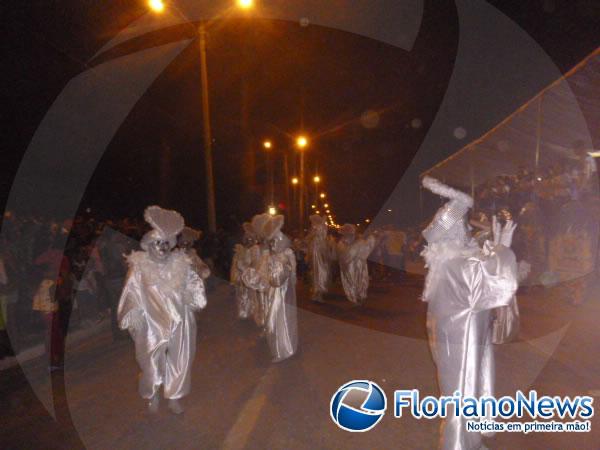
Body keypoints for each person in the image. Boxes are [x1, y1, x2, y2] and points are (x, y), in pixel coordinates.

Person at [420, 177, 518, 450]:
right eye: (462, 226)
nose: (466, 230)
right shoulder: (455, 264)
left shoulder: (448, 261)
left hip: (466, 330)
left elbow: (483, 271)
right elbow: (493, 276)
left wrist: (496, 246)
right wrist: (503, 248)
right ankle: (457, 445)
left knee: (467, 383)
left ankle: (470, 437)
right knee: (461, 386)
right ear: (453, 232)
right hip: (461, 335)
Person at [117, 206, 207, 414]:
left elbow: (195, 286)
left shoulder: (182, 264)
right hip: (151, 322)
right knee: (150, 362)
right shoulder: (138, 268)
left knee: (180, 360)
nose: (162, 247)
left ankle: (174, 396)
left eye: (166, 243)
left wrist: (193, 299)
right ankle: (152, 393)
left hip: (180, 320)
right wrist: (134, 314)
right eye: (157, 243)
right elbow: (130, 293)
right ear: (148, 245)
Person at [242, 215, 298, 362]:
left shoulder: (282, 257)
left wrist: (273, 265)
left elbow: (276, 280)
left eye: (273, 242)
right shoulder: (279, 256)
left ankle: (283, 350)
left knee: (278, 320)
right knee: (278, 320)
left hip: (280, 293)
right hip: (277, 293)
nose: (271, 245)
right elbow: (263, 278)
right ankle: (284, 348)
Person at [336, 224, 376, 305]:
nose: (349, 233)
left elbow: (366, 251)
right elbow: (343, 256)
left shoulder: (359, 241)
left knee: (360, 280)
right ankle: (354, 298)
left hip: (359, 264)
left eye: (350, 231)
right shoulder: (342, 242)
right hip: (350, 266)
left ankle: (359, 296)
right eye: (347, 231)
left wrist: (371, 239)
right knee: (352, 281)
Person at [230, 222, 257, 320]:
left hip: (252, 277)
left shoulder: (256, 251)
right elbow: (235, 264)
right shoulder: (240, 250)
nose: (249, 242)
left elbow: (257, 264)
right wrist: (235, 277)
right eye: (247, 240)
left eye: (251, 240)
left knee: (253, 297)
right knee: (242, 296)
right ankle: (243, 313)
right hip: (241, 277)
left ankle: (253, 313)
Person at [305, 215, 333, 302]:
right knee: (318, 273)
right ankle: (317, 293)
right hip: (318, 254)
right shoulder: (318, 231)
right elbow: (309, 239)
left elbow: (309, 238)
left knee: (319, 273)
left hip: (319, 253)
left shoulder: (318, 230)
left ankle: (318, 293)